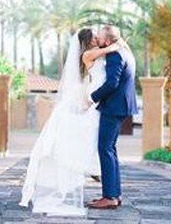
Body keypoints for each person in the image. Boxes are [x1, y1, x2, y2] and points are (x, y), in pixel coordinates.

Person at [20, 26, 119, 217]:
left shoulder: (92, 54)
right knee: (93, 143)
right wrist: (117, 44)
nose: (97, 38)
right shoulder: (89, 54)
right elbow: (108, 50)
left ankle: (95, 173)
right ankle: (93, 173)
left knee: (93, 142)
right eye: (94, 37)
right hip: (91, 103)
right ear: (88, 41)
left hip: (91, 102)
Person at [86, 24, 138, 211]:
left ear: (107, 41)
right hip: (121, 106)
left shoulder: (115, 54)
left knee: (105, 149)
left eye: (99, 37)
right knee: (110, 149)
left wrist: (91, 98)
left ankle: (109, 197)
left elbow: (112, 83)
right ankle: (114, 194)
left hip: (113, 107)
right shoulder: (125, 51)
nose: (97, 40)